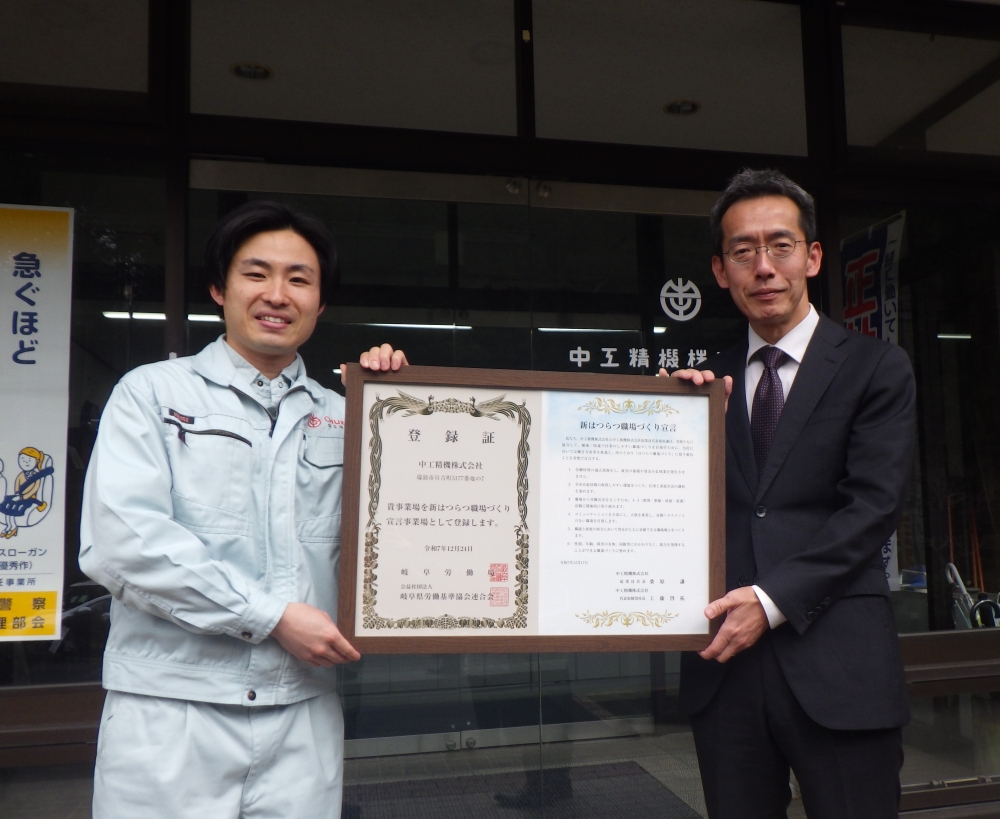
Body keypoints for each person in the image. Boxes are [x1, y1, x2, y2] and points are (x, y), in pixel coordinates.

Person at [79, 200, 408, 819]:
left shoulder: (346, 414)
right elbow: (122, 544)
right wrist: (270, 616)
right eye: (256, 274)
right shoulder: (152, 394)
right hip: (172, 707)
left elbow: (401, 540)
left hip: (303, 708)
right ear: (218, 288)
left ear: (321, 303)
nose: (277, 294)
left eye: (299, 279)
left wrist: (403, 407)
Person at [665, 169, 915, 819]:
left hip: (839, 666)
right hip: (724, 673)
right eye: (743, 251)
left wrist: (769, 601)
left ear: (813, 256)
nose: (764, 267)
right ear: (720, 271)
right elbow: (660, 513)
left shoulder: (875, 367)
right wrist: (667, 428)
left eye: (781, 245)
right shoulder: (701, 388)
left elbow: (873, 508)